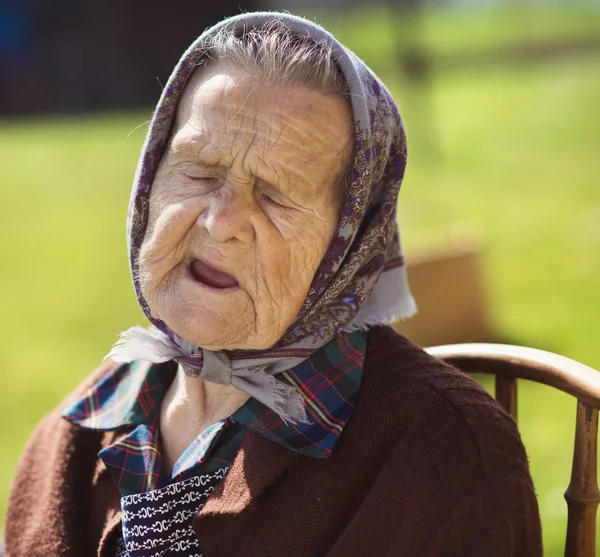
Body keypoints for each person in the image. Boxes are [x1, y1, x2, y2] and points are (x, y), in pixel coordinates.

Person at [5, 12, 542, 557]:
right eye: (198, 171)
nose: (221, 222)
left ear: (350, 245)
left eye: (277, 195)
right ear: (149, 180)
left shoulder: (437, 459)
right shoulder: (79, 430)